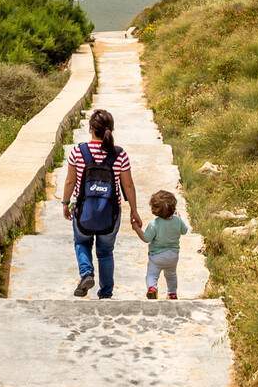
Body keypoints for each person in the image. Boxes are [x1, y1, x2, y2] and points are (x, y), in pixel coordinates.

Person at [58, 108, 140, 299]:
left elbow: (70, 181)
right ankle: (106, 293)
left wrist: (65, 202)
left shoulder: (78, 152)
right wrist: (134, 211)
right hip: (110, 213)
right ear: (110, 129)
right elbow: (127, 184)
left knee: (81, 243)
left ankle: (86, 273)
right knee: (105, 252)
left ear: (90, 128)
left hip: (83, 210)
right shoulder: (119, 154)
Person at [139, 190, 188, 300]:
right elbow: (184, 231)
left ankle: (152, 288)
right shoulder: (178, 220)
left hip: (156, 257)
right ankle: (172, 293)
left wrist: (137, 229)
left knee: (152, 275)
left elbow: (146, 238)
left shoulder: (154, 224)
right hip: (173, 256)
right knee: (171, 275)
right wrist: (179, 218)